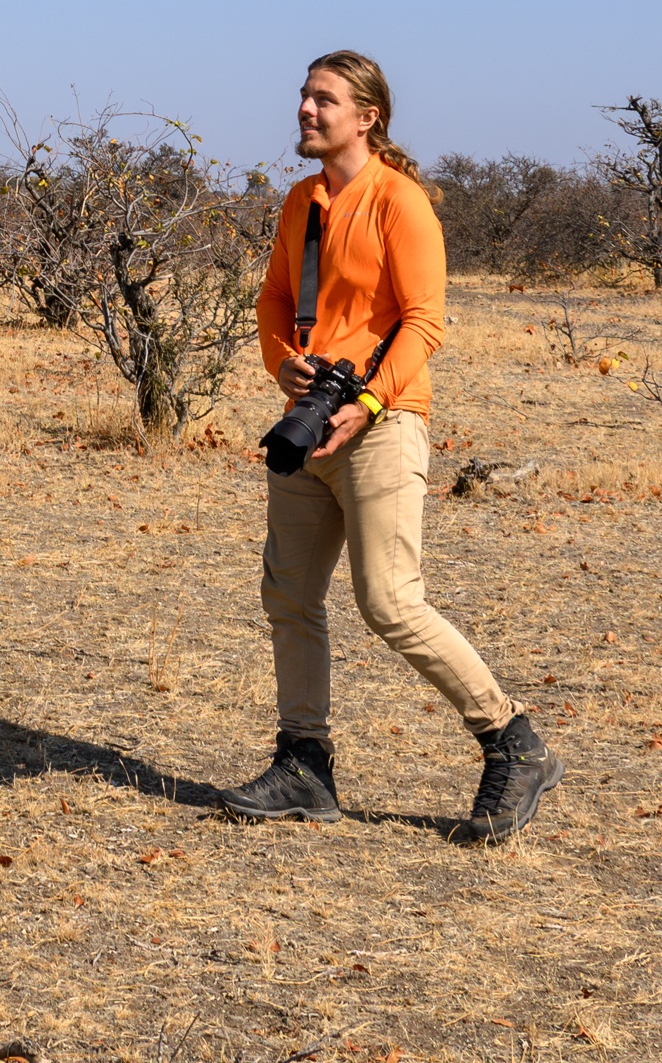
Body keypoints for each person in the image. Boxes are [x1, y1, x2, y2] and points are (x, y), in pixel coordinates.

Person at [220, 50, 562, 840]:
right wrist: (283, 362)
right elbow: (274, 299)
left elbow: (425, 320)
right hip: (309, 422)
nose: (306, 109)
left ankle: (513, 740)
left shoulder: (400, 201)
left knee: (390, 601)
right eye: (304, 96)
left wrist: (368, 402)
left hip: (383, 423)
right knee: (289, 596)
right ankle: (304, 765)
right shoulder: (301, 200)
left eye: (324, 99)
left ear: (367, 117)